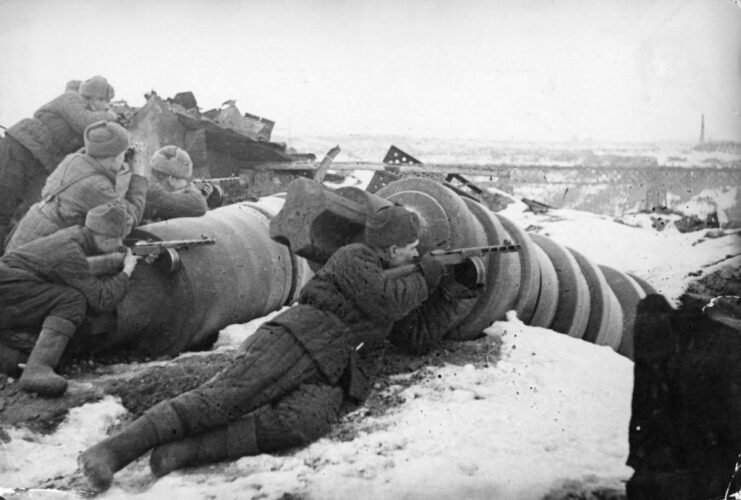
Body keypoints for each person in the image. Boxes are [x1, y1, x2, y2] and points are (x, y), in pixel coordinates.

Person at [79, 204, 481, 491]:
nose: (416, 253)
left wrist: (453, 290)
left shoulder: (403, 281)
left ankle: (183, 452)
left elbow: (414, 335)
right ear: (392, 250)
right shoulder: (354, 257)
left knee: (299, 424)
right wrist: (426, 275)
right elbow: (385, 298)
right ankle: (112, 452)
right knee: (225, 397)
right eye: (412, 248)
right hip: (301, 337)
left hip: (340, 367)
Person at [0, 201, 139, 396]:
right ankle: (37, 369)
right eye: (117, 240)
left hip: (11, 289)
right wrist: (127, 271)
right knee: (72, 299)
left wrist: (111, 263)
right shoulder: (69, 251)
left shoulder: (75, 236)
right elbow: (102, 301)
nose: (119, 245)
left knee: (32, 355)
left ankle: (17, 359)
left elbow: (76, 271)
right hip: (8, 290)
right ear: (105, 236)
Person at [0, 76, 118, 248]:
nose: (107, 105)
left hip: (41, 163)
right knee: (4, 207)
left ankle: (12, 255)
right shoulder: (71, 98)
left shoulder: (91, 116)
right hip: (20, 147)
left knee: (33, 212)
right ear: (96, 98)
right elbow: (83, 121)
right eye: (105, 101)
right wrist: (109, 116)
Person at [5, 120, 148, 252]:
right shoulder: (96, 187)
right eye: (123, 154)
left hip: (24, 240)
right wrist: (138, 176)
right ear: (116, 157)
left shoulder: (73, 160)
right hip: (37, 258)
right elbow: (127, 222)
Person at [143, 145, 210, 222]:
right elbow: (199, 206)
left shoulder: (147, 185)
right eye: (184, 181)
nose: (185, 185)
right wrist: (193, 191)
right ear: (172, 180)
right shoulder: (154, 193)